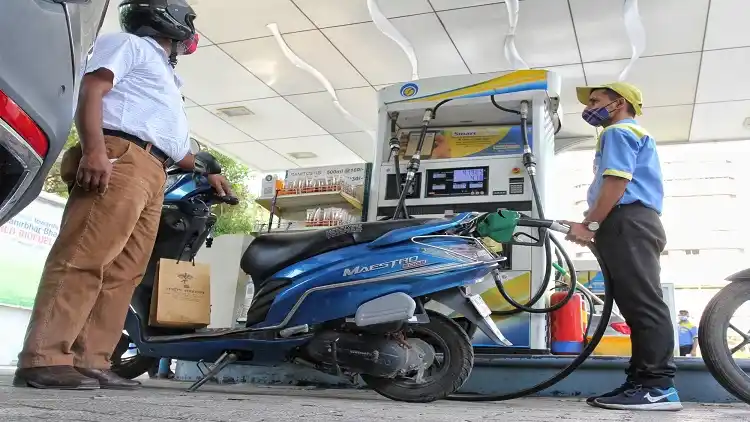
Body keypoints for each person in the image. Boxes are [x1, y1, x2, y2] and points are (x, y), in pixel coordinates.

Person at [14, 0, 233, 390]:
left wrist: (209, 169)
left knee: (125, 271)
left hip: (154, 168)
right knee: (85, 256)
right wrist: (95, 149)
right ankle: (43, 357)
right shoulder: (129, 45)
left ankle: (91, 359)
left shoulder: (165, 75)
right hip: (122, 155)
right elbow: (93, 89)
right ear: (169, 20)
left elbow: (174, 146)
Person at [563, 82, 682, 411]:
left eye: (596, 100)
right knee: (634, 304)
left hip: (628, 221)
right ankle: (641, 382)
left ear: (618, 104)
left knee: (643, 304)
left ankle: (657, 386)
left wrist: (590, 225)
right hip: (629, 222)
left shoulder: (618, 133)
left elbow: (617, 180)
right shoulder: (625, 134)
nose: (590, 107)